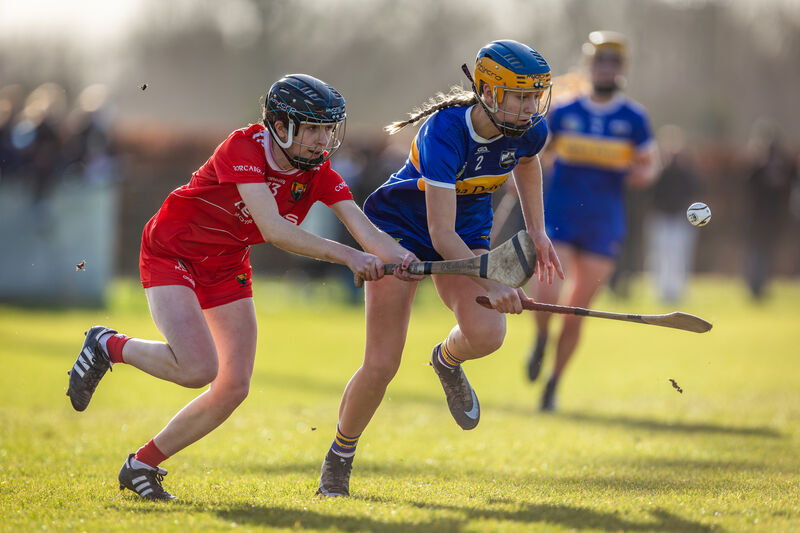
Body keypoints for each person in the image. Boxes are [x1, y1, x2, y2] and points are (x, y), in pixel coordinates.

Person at [66, 74, 420, 501]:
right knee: (198, 370)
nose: (323, 140)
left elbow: (365, 230)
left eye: (328, 128)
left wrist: (401, 259)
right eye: (312, 128)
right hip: (173, 251)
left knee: (233, 386)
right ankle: (107, 345)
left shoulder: (320, 171)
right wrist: (348, 257)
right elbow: (275, 230)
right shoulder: (244, 147)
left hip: (226, 264)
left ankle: (142, 465)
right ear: (281, 126)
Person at [315, 40, 564, 497]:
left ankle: (446, 360)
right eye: (520, 96)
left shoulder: (529, 130)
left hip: (465, 231)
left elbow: (527, 165)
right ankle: (339, 456)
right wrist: (493, 281)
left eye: (535, 96)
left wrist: (539, 230)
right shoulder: (445, 132)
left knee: (488, 334)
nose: (531, 108)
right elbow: (438, 232)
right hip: (404, 229)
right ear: (489, 92)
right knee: (382, 362)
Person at [525, 31, 659, 411]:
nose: (606, 68)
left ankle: (553, 383)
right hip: (561, 217)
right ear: (589, 65)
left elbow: (651, 166)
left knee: (576, 312)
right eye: (600, 60)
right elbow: (531, 156)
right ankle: (538, 340)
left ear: (621, 69)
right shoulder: (564, 112)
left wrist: (639, 174)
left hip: (604, 223)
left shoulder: (633, 118)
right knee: (547, 295)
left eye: (613, 62)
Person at [646, 124, 701, 303]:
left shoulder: (687, 168)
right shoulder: (658, 168)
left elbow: (695, 188)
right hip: (661, 217)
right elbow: (649, 191)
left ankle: (677, 291)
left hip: (680, 217)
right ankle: (662, 291)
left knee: (680, 254)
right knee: (660, 254)